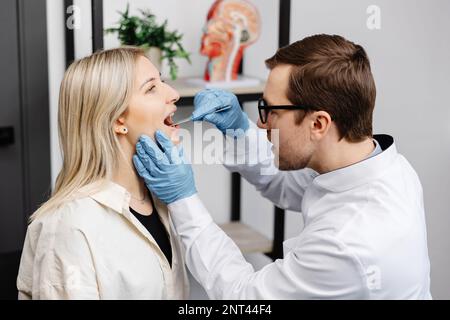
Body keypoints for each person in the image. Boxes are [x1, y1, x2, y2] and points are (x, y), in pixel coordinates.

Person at [134, 34, 432, 299]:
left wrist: (182, 199)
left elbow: (244, 296)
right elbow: (287, 186)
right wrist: (239, 129)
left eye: (271, 111)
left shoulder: (347, 244)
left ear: (318, 123)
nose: (262, 124)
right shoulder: (381, 167)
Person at [17, 47, 189, 299]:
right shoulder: (69, 227)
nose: (173, 94)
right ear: (118, 119)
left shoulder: (160, 198)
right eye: (151, 88)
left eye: (162, 82)